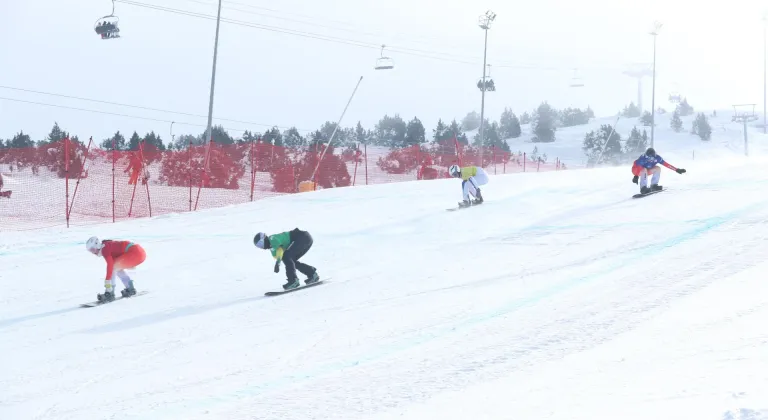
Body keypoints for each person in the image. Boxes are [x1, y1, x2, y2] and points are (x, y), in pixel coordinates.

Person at [254, 228, 319, 290]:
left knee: (286, 257)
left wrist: (278, 263)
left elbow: (280, 250)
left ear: (265, 238)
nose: (261, 247)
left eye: (260, 244)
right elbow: (281, 256)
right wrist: (278, 262)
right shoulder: (272, 249)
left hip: (302, 237)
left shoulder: (272, 239)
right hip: (305, 239)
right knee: (291, 261)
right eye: (259, 246)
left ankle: (293, 281)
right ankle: (312, 274)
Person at [86, 237, 146, 302]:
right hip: (138, 252)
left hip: (135, 253)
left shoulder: (105, 249)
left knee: (114, 268)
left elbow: (110, 266)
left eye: (92, 250)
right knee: (116, 268)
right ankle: (130, 288)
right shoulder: (106, 246)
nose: (93, 253)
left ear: (97, 245)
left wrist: (107, 280)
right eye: (90, 251)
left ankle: (110, 293)